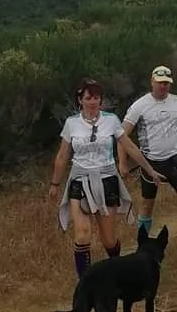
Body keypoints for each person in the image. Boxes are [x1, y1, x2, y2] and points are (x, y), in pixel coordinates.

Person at [49, 78, 165, 279]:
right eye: (88, 98)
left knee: (108, 240)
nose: (93, 102)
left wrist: (150, 170)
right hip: (80, 180)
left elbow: (129, 147)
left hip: (106, 180)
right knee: (82, 235)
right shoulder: (71, 123)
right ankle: (85, 282)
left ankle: (116, 272)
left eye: (96, 98)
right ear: (80, 100)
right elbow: (62, 156)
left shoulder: (111, 121)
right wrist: (55, 184)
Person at [122, 65, 177, 258]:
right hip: (150, 162)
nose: (163, 86)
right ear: (152, 82)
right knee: (147, 204)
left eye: (167, 83)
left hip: (174, 158)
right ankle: (142, 245)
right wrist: (123, 162)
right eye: (160, 83)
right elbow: (122, 134)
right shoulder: (140, 105)